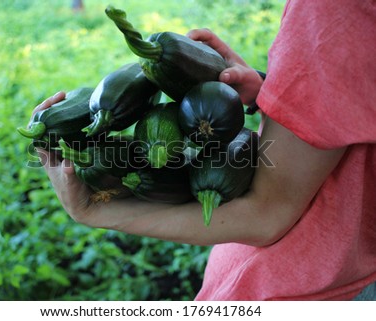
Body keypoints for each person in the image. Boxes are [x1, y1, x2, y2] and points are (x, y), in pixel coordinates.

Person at [30, 0, 376, 300]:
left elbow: (266, 215)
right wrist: (272, 94)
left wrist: (93, 211)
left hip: (309, 290)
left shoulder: (332, 9)